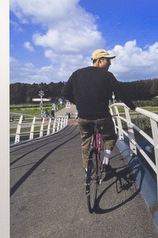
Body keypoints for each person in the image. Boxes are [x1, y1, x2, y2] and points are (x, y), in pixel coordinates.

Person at [60, 48, 150, 178]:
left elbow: (64, 93)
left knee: (85, 141)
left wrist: (79, 103)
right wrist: (132, 107)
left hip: (83, 117)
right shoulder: (107, 75)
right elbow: (121, 93)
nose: (110, 64)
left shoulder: (77, 74)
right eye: (108, 60)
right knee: (111, 137)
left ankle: (87, 171)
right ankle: (106, 165)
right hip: (101, 116)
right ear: (99, 60)